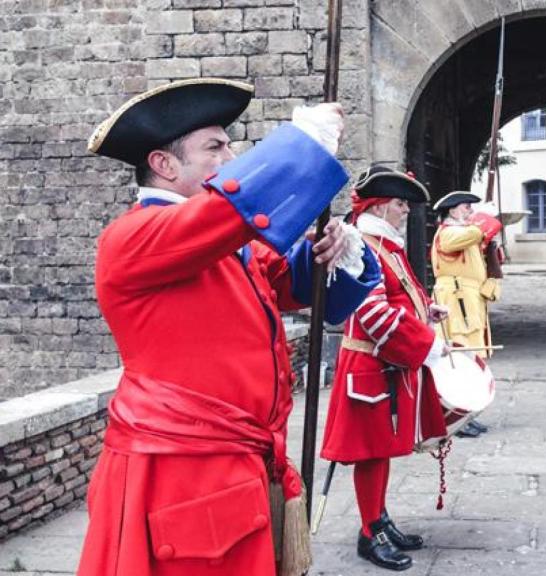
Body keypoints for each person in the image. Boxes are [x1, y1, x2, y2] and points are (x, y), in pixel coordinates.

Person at [78, 78, 381, 576]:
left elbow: (297, 285)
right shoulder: (132, 237)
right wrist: (302, 147)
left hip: (236, 461)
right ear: (165, 164)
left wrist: (335, 252)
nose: (231, 157)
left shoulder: (226, 240)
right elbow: (227, 215)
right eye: (215, 148)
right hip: (179, 470)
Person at [320, 166, 452, 571]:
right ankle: (369, 532)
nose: (406, 210)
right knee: (371, 454)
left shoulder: (384, 245)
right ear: (378, 206)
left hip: (386, 365)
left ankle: (379, 519)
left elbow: (397, 298)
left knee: (382, 450)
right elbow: (374, 315)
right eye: (400, 203)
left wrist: (425, 310)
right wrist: (427, 344)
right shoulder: (363, 247)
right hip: (369, 366)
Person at [429, 191, 503, 438]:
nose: (470, 212)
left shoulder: (463, 232)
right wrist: (485, 218)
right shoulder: (448, 233)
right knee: (461, 358)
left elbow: (478, 241)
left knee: (471, 357)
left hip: (468, 301)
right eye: (466, 207)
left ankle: (468, 414)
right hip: (456, 301)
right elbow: (474, 233)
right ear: (451, 210)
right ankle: (457, 416)